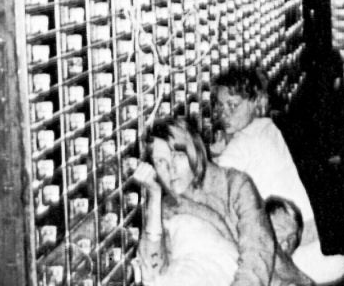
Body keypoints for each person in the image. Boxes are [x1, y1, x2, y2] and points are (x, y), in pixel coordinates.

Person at [132, 116, 312, 286]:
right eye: (160, 162)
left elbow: (256, 254)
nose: (171, 169)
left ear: (194, 151)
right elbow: (151, 270)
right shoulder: (168, 206)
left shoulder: (235, 185)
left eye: (178, 156)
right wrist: (154, 198)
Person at [211, 66, 344, 284]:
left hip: (305, 264)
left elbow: (210, 190)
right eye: (219, 106)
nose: (224, 114)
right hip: (327, 251)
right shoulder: (271, 128)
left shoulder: (242, 144)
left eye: (233, 105)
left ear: (255, 102)